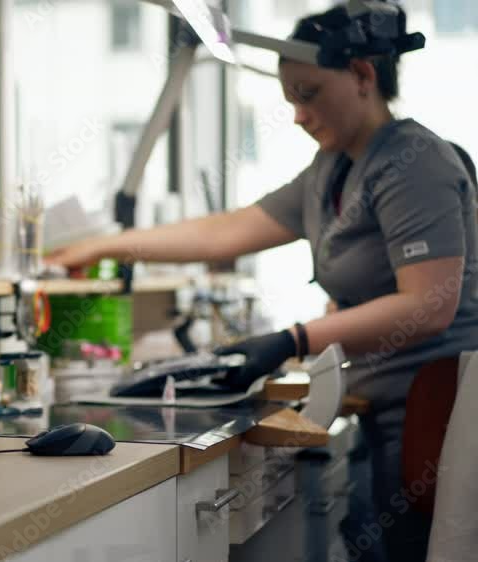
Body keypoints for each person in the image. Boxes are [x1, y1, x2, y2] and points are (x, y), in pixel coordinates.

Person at [47, 7, 478, 562]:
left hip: (435, 418)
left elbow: (428, 305)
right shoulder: (332, 170)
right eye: (290, 99)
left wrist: (293, 339)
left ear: (364, 76)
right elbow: (224, 232)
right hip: (380, 413)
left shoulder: (414, 164)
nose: (298, 115)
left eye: (309, 94)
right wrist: (101, 246)